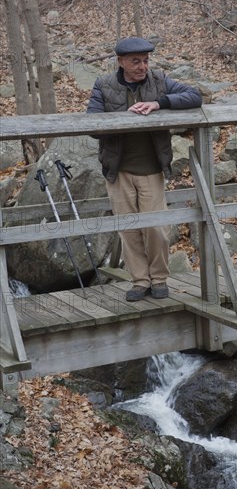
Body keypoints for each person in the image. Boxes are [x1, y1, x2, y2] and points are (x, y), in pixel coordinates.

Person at [87, 36, 202, 301]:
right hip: (118, 171)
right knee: (129, 230)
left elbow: (195, 96)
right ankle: (140, 281)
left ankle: (159, 278)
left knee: (155, 229)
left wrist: (159, 104)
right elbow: (91, 123)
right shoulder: (103, 85)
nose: (142, 66)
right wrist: (123, 119)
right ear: (121, 62)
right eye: (136, 61)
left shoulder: (160, 81)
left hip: (151, 169)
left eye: (146, 61)